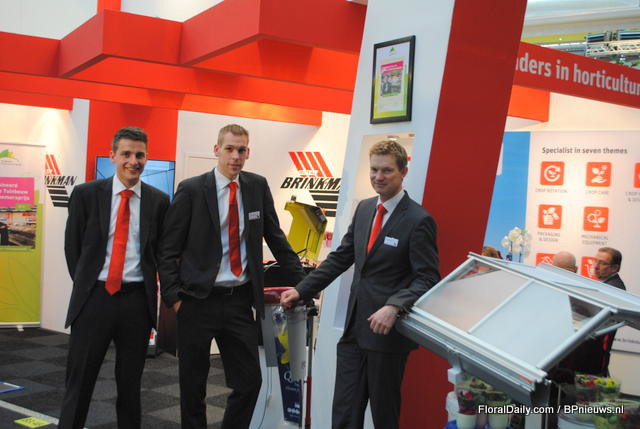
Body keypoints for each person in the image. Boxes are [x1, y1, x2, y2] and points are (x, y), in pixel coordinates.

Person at [281, 140, 440, 429]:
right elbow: (341, 257)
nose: (378, 177)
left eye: (387, 170)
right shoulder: (365, 209)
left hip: (387, 336)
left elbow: (428, 278)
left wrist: (394, 306)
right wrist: (302, 289)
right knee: (344, 413)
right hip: (354, 330)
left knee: (384, 415)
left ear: (403, 171)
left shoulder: (419, 220)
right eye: (374, 169)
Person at [158, 124, 305, 429]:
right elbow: (168, 249)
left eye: (242, 150)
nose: (236, 156)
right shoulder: (191, 190)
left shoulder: (256, 186)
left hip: (238, 301)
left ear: (248, 152)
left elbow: (276, 237)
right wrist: (174, 299)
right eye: (229, 149)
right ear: (217, 150)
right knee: (193, 388)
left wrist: (305, 284)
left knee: (249, 382)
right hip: (196, 302)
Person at [59, 127, 170, 429]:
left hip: (136, 303)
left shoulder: (159, 202)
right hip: (94, 299)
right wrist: (87, 285)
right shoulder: (85, 195)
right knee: (79, 382)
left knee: (130, 386)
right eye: (126, 154)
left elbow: (161, 253)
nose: (133, 161)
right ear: (112, 156)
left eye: (140, 155)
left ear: (146, 158)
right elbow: (73, 248)